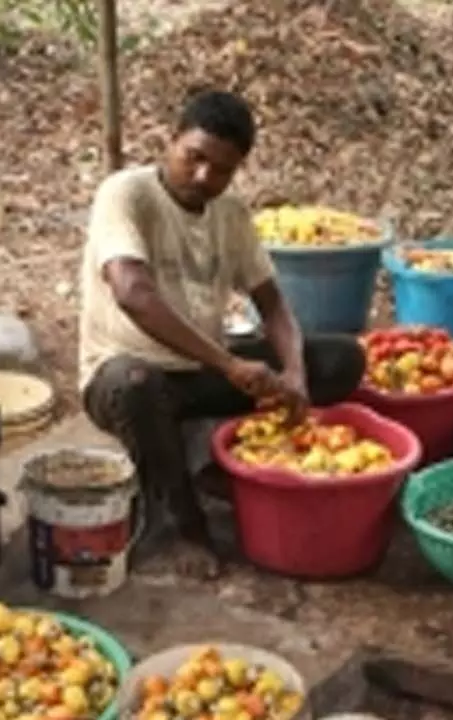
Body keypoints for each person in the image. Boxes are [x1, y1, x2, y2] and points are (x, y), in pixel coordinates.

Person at [79, 90, 365, 579]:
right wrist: (229, 364)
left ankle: (224, 467)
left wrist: (293, 373)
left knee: (341, 360)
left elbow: (272, 305)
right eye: (195, 158)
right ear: (170, 141)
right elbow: (132, 292)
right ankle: (176, 528)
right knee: (137, 384)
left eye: (222, 170)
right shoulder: (126, 194)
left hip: (201, 372)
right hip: (123, 375)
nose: (204, 178)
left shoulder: (229, 213)